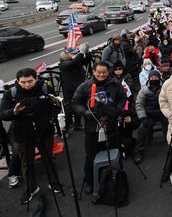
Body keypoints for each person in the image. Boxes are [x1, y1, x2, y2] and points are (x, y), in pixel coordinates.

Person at [0, 68, 62, 204]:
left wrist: (50, 119)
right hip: (22, 133)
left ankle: (54, 182)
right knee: (26, 163)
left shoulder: (45, 88)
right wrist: (14, 111)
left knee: (49, 158)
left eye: (30, 81)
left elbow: (56, 105)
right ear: (17, 81)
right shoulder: (11, 94)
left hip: (44, 130)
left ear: (36, 79)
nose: (27, 84)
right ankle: (31, 188)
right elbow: (3, 114)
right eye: (23, 82)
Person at [72, 61, 128, 195]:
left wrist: (118, 110)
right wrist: (85, 113)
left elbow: (123, 98)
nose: (101, 75)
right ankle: (90, 181)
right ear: (94, 72)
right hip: (92, 128)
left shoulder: (115, 84)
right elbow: (75, 103)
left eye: (104, 72)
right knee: (91, 155)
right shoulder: (85, 86)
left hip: (111, 125)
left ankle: (117, 176)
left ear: (108, 72)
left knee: (114, 151)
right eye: (99, 72)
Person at [134, 70, 167, 163]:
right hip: (149, 115)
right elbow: (139, 104)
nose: (154, 79)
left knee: (171, 125)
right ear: (149, 79)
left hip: (163, 113)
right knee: (142, 128)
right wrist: (143, 117)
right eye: (152, 78)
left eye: (156, 78)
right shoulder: (144, 89)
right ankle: (139, 151)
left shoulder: (164, 88)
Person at [59, 44, 89, 131]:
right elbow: (73, 63)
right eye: (73, 53)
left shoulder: (74, 60)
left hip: (78, 87)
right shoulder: (64, 63)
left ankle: (77, 124)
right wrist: (81, 53)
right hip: (70, 90)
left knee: (78, 106)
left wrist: (87, 52)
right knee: (69, 109)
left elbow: (87, 60)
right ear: (67, 55)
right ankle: (66, 128)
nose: (75, 55)